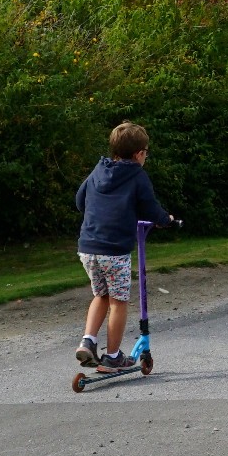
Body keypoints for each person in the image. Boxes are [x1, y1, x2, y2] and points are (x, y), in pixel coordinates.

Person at [73, 121, 180, 371]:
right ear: (138, 154)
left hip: (87, 247)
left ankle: (88, 341)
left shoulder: (98, 170)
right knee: (118, 301)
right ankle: (112, 356)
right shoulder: (137, 176)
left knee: (101, 295)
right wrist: (167, 220)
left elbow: (80, 201)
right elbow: (151, 208)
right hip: (114, 251)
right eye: (146, 153)